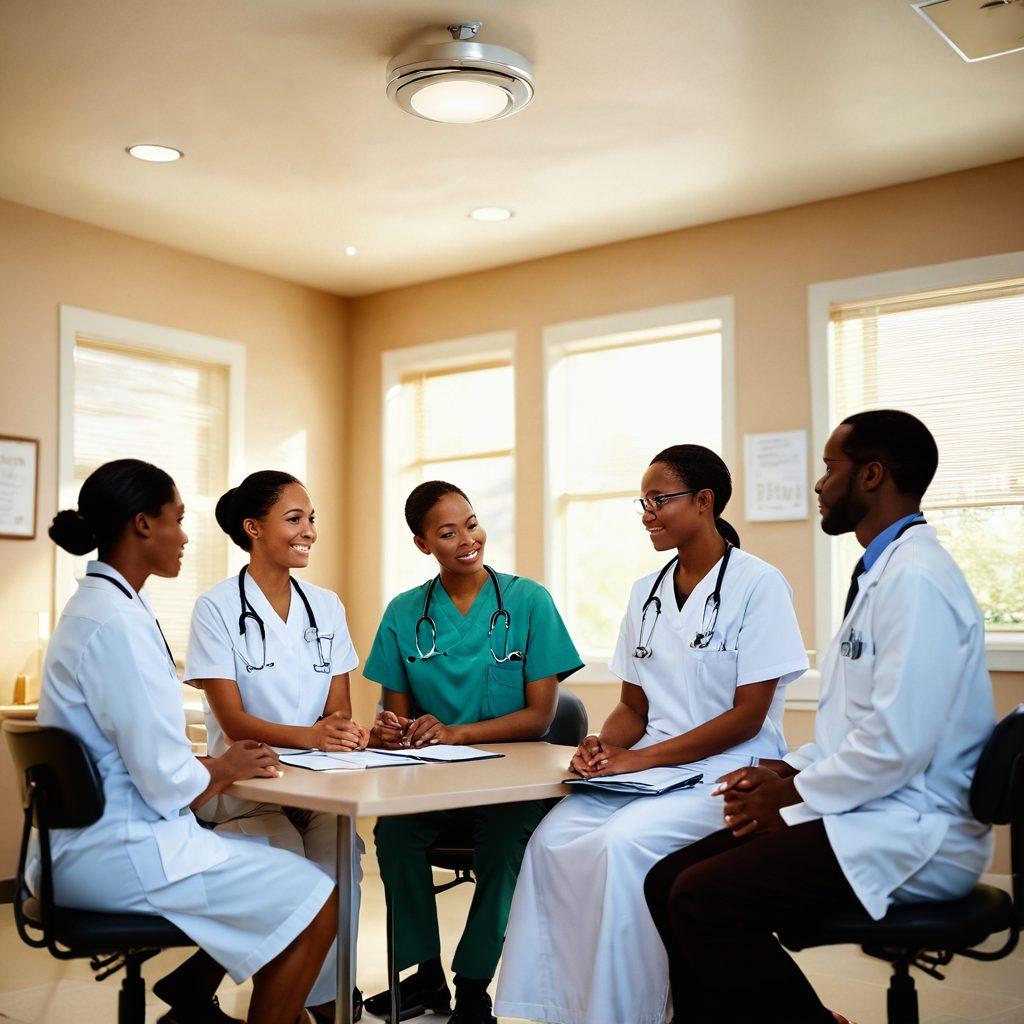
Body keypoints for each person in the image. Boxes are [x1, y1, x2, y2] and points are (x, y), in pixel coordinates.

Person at [644, 410, 996, 1024]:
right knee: (666, 879)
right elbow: (855, 728)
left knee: (701, 898)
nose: (819, 483)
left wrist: (790, 794)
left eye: (831, 468)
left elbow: (896, 744)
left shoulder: (916, 580)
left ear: (872, 476)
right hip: (877, 808)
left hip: (915, 831)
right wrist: (782, 767)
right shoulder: (880, 571)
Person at [494, 444, 808, 1024]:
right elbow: (632, 707)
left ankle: (633, 1011)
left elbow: (748, 715)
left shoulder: (759, 585)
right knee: (550, 843)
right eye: (643, 502)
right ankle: (564, 1008)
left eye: (659, 500)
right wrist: (604, 746)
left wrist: (638, 760)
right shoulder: (647, 592)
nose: (647, 513)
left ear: (704, 501)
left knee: (621, 846)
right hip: (654, 768)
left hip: (731, 767)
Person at [37, 459, 338, 1024]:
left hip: (93, 843)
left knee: (297, 887)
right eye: (176, 519)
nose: (184, 535)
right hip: (121, 852)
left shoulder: (102, 607)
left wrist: (207, 764)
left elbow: (145, 758)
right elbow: (164, 778)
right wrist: (221, 767)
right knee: (316, 901)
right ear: (142, 524)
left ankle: (203, 1001)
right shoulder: (118, 624)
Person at [361, 481, 584, 1024]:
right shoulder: (404, 612)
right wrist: (391, 731)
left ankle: (475, 986)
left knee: (506, 844)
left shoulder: (528, 601)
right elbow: (397, 716)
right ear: (422, 544)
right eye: (447, 532)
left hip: (511, 785)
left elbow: (540, 718)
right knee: (394, 834)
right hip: (434, 785)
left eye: (472, 523)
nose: (467, 538)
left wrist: (459, 733)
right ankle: (427, 979)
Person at [163, 470, 367, 1024]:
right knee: (292, 876)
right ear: (253, 528)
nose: (310, 531)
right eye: (295, 519)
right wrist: (313, 735)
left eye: (312, 518)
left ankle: (323, 1007)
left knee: (340, 862)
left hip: (317, 783)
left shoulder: (325, 606)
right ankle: (291, 1011)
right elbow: (231, 717)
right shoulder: (216, 606)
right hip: (246, 783)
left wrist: (344, 732)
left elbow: (338, 708)